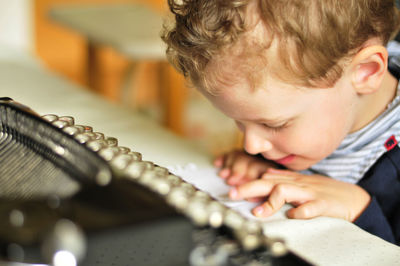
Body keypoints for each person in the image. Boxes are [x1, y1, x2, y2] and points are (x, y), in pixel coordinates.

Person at [162, 0, 400, 244]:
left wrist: (360, 210)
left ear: (366, 71)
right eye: (240, 122)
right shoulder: (302, 106)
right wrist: (265, 165)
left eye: (273, 125)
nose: (250, 145)